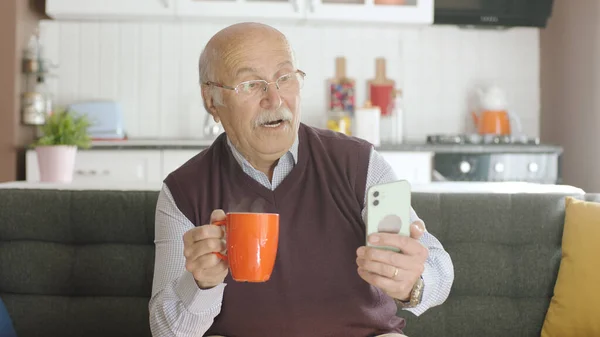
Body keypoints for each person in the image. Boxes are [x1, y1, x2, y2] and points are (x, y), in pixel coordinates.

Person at [149, 22, 454, 337]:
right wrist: (201, 283)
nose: (275, 99)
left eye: (285, 78)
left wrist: (412, 283)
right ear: (212, 101)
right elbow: (167, 332)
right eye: (251, 84)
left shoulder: (358, 163)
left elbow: (440, 274)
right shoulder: (184, 191)